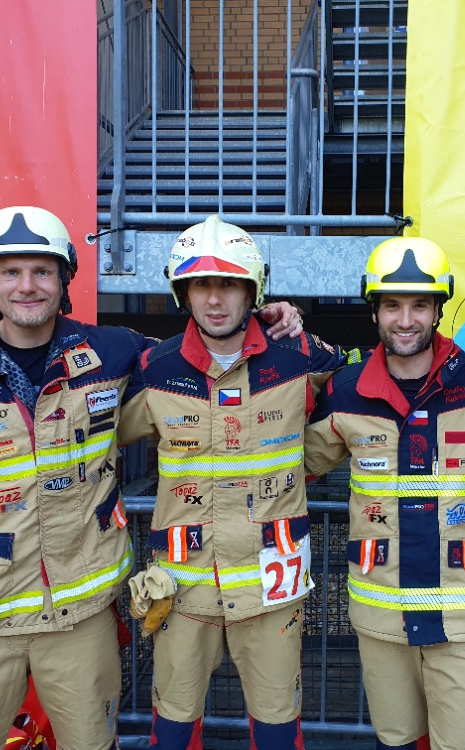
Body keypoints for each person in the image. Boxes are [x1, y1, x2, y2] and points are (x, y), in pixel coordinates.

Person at [0, 206, 302, 750]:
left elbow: (208, 355)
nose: (27, 286)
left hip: (82, 621)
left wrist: (268, 321)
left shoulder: (113, 352)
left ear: (65, 279)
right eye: (11, 272)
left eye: (42, 271)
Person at [119, 215, 360, 750]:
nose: (214, 299)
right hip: (184, 588)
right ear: (182, 293)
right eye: (201, 285)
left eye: (229, 283)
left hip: (272, 589)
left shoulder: (301, 356)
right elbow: (89, 433)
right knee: (172, 731)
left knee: (277, 731)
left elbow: (372, 385)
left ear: (253, 291)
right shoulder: (154, 369)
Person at [303, 237, 465, 750]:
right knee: (398, 741)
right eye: (392, 305)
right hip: (381, 618)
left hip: (464, 619)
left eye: (419, 306)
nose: (405, 320)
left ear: (438, 310)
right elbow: (292, 468)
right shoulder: (345, 391)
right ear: (374, 312)